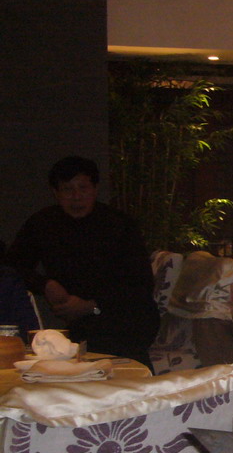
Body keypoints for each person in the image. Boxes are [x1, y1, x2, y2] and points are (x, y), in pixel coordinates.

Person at [7, 156, 160, 367]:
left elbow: (140, 284)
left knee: (105, 337)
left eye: (83, 188)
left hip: (124, 315)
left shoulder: (119, 225)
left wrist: (91, 306)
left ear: (95, 189)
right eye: (68, 189)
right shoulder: (43, 223)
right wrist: (46, 284)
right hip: (78, 320)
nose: (76, 196)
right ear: (56, 193)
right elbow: (13, 265)